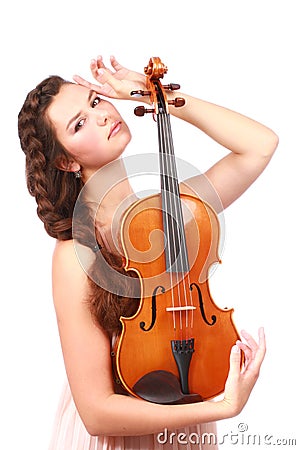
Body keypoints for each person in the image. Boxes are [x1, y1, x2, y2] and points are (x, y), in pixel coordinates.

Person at [18, 55, 277, 450]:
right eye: (79, 123)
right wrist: (222, 408)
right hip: (120, 440)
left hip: (186, 426)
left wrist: (158, 96)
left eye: (94, 101)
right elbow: (95, 412)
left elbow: (260, 146)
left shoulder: (173, 212)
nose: (102, 115)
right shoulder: (75, 253)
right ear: (66, 160)